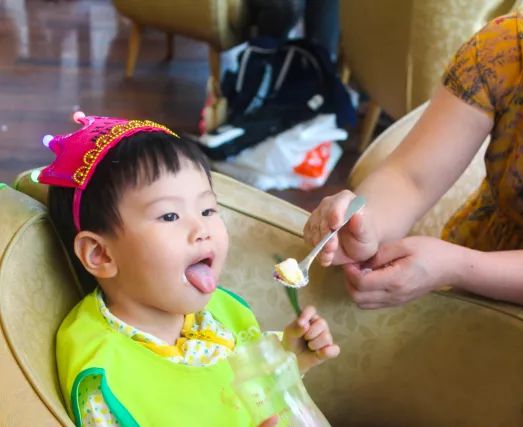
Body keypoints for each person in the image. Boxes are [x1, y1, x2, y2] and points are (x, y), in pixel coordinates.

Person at [304, 1, 523, 314]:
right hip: (473, 259)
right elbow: (411, 179)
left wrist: (459, 266)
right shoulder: (514, 47)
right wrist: (365, 224)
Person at [40, 113, 339, 426]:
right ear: (100, 254)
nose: (202, 229)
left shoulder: (222, 311)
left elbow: (257, 390)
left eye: (208, 210)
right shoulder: (104, 373)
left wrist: (288, 358)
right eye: (169, 216)